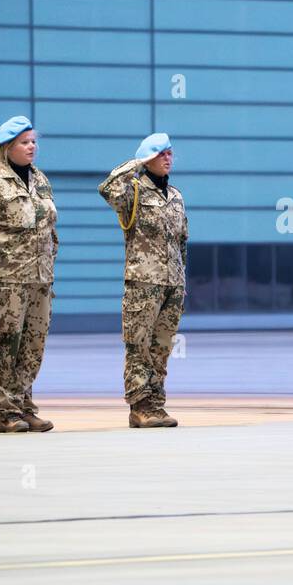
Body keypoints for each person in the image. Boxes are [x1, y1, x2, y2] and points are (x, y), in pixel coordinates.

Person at [98, 133, 186, 428]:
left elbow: (181, 242)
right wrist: (136, 163)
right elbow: (106, 187)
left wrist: (181, 279)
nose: (167, 158)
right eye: (160, 154)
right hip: (143, 282)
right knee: (139, 345)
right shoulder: (133, 192)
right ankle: (139, 406)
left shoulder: (175, 196)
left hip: (172, 284)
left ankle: (157, 404)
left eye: (169, 153)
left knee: (161, 346)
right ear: (148, 158)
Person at [0, 116, 58, 433]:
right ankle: (6, 411)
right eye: (25, 142)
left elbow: (50, 229)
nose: (32, 147)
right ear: (7, 148)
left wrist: (51, 259)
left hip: (40, 278)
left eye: (34, 141)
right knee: (8, 344)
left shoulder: (40, 180)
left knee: (33, 345)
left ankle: (25, 405)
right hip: (8, 278)